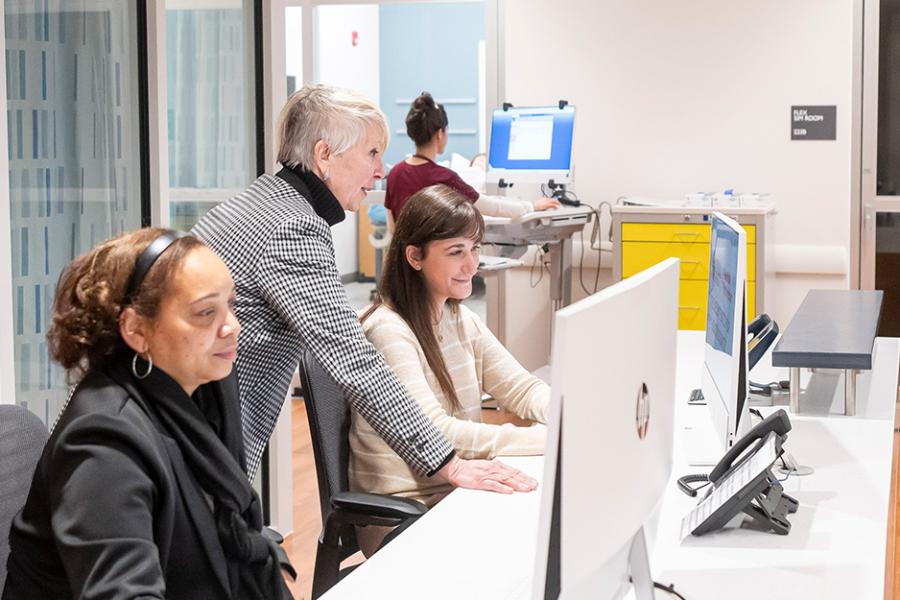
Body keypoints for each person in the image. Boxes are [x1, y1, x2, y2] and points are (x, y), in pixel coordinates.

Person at [192, 84, 536, 494]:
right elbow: (353, 360)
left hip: (184, 423)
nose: (381, 170)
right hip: (202, 439)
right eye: (372, 153)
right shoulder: (293, 227)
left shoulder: (256, 202)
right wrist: (448, 464)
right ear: (324, 156)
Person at [3, 229, 293, 599]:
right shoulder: (101, 441)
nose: (232, 326)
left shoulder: (205, 391)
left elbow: (228, 526)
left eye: (231, 305)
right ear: (137, 330)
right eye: (206, 312)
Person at [350, 185, 549, 553]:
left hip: (453, 490)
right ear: (415, 256)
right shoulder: (388, 330)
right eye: (456, 252)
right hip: (406, 512)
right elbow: (436, 432)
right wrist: (546, 440)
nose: (471, 264)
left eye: (475, 249)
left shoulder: (459, 317)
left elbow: (522, 389)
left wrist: (569, 416)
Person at [383, 92, 560, 223]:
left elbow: (393, 229)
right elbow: (492, 208)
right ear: (439, 134)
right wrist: (532, 206)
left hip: (405, 266)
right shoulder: (443, 177)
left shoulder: (395, 173)